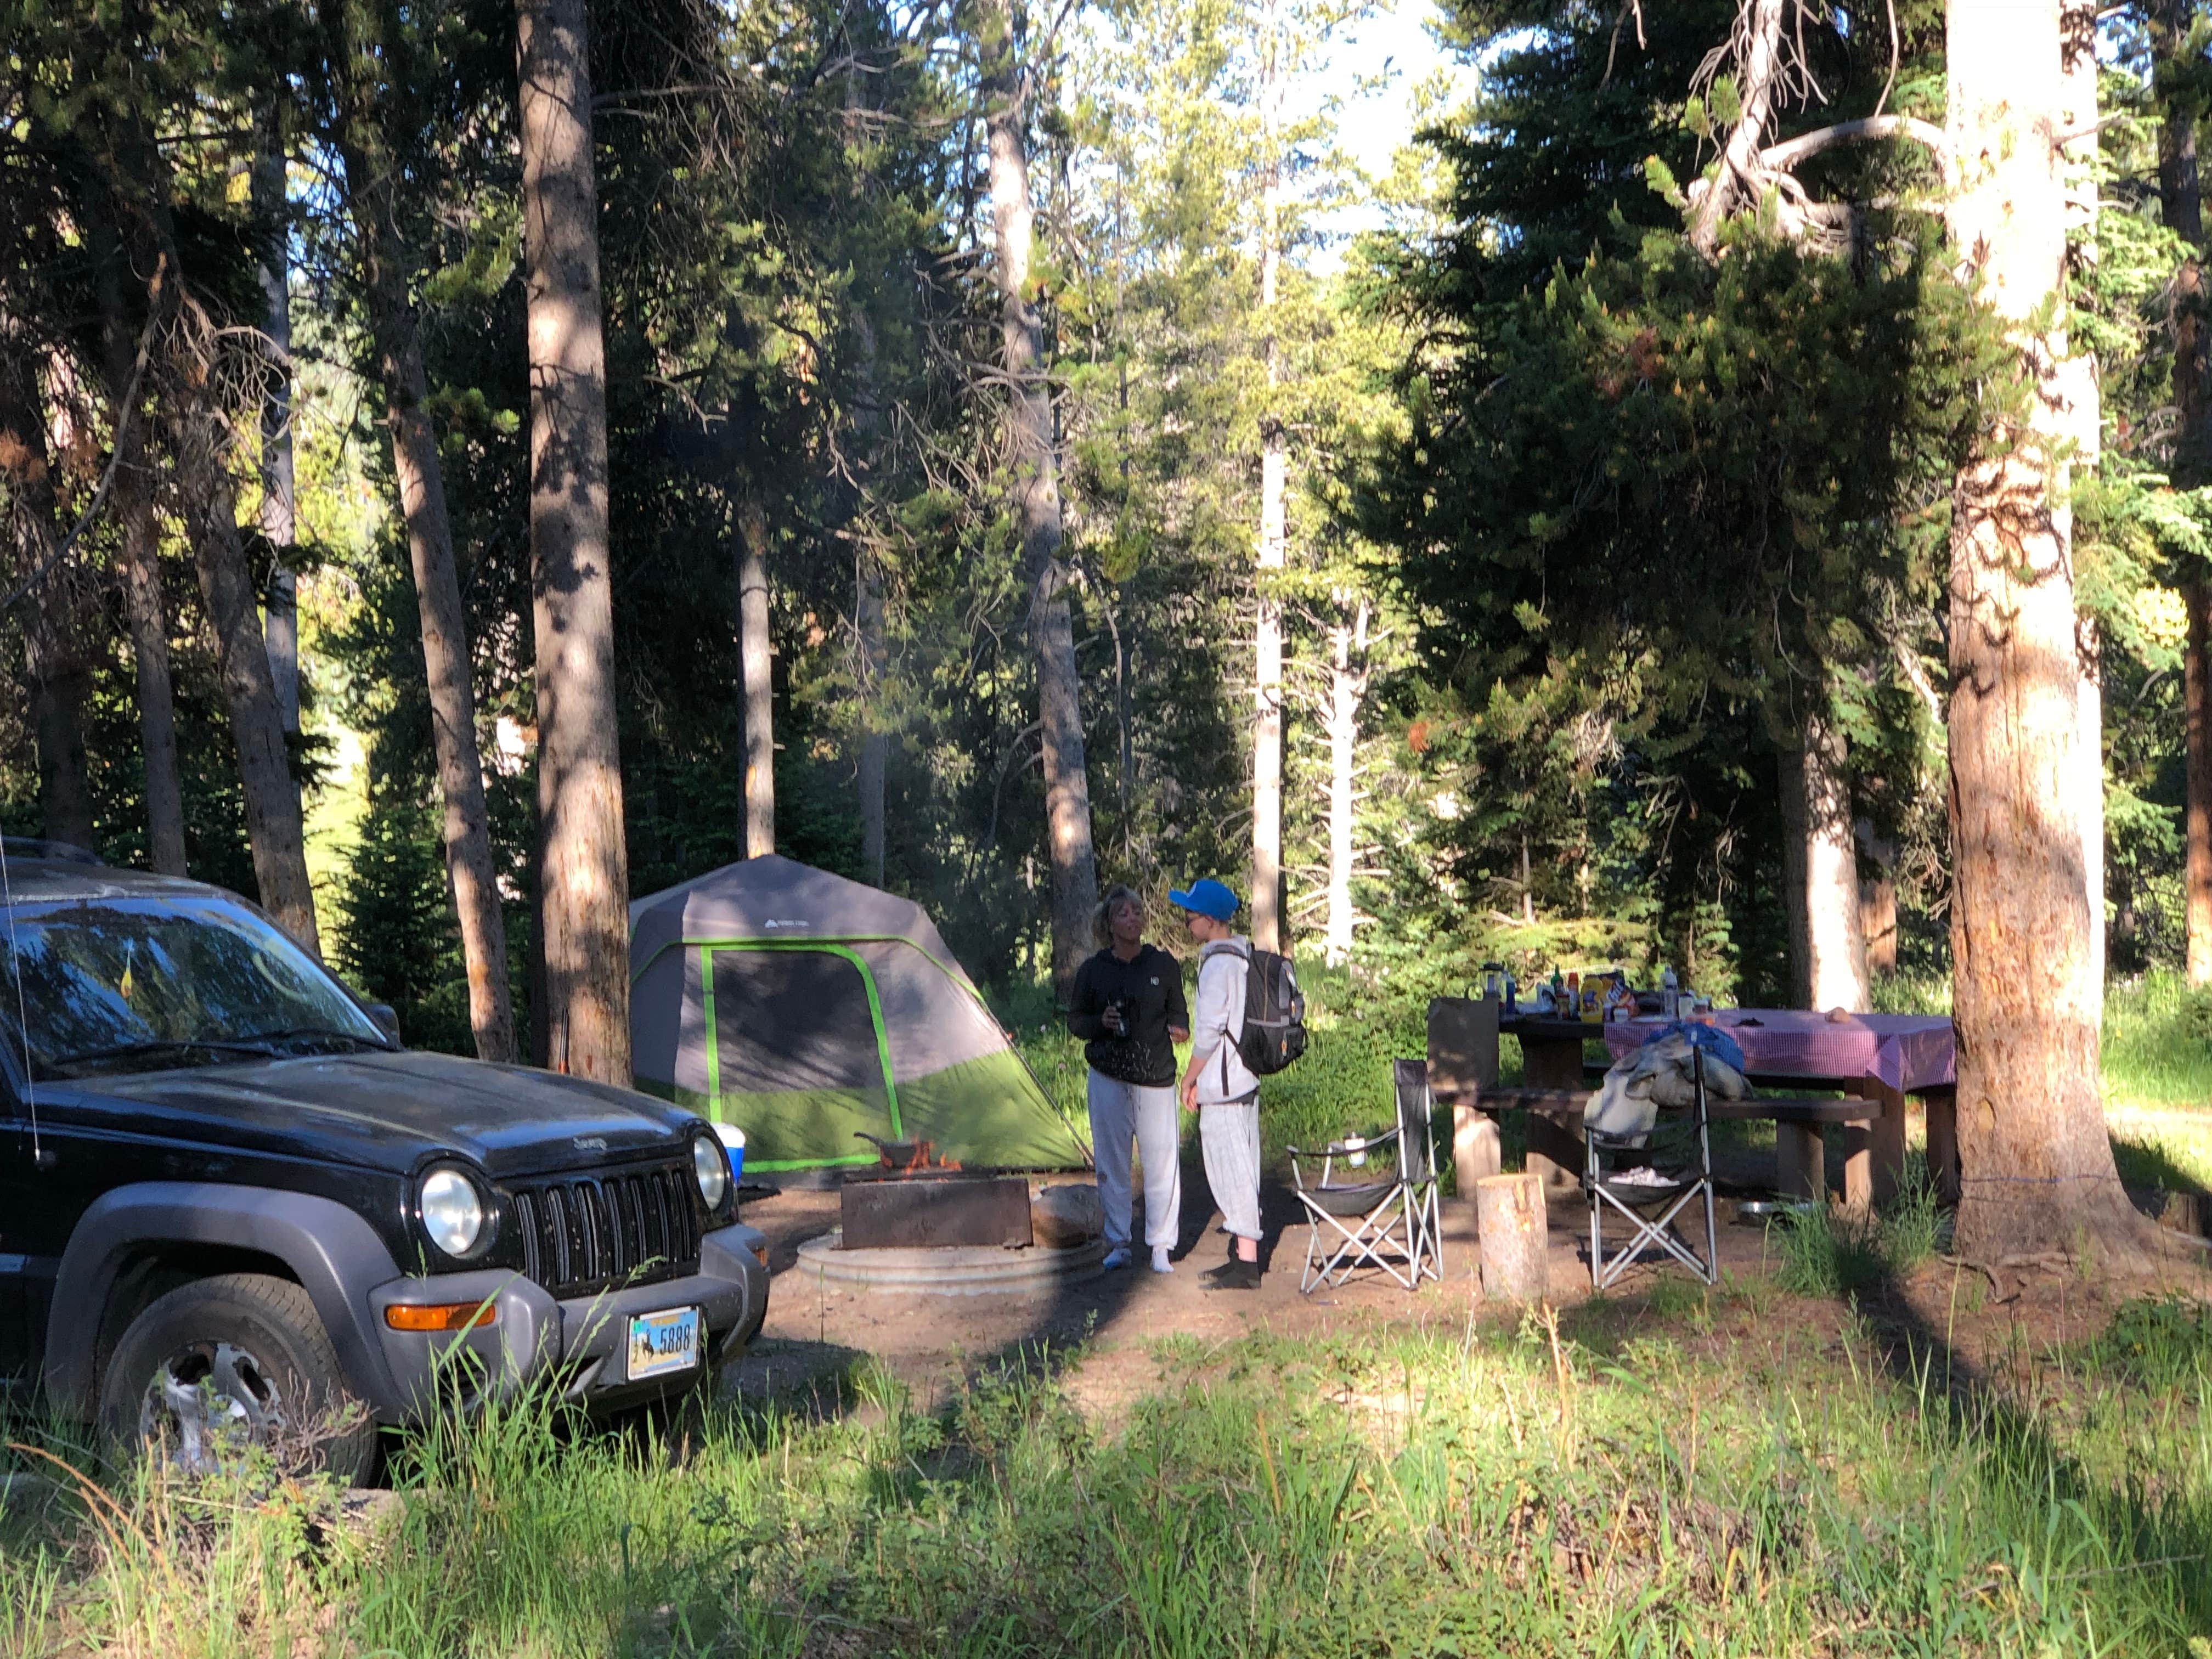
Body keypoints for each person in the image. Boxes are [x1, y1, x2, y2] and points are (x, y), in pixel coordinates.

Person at [1066, 885, 1189, 1272]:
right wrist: (1098, 1023)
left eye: (1137, 911)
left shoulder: (1163, 965)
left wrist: (1179, 1029)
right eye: (1123, 913)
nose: (1132, 918)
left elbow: (1180, 1014)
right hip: (1109, 1076)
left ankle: (1161, 1245)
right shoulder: (1093, 971)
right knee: (1112, 1161)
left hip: (1155, 1077)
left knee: (1162, 1161)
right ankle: (1119, 1241)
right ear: (1109, 924)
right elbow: (1076, 1022)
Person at [1172, 878, 1262, 1291]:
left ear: (1210, 920)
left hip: (1224, 1083)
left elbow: (1209, 1033)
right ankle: (1244, 1256)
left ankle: (1247, 1265)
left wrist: (1189, 1079)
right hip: (1247, 1075)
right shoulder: (1244, 956)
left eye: (1191, 916)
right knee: (1245, 1164)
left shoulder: (1217, 965)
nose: (1188, 923)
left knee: (1230, 1168)